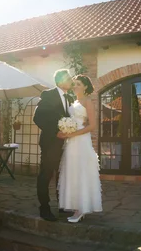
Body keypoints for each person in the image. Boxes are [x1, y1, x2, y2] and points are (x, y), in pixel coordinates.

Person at [57, 74, 103, 223]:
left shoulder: (88, 101)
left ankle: (81, 208)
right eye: (74, 83)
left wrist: (73, 134)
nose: (75, 86)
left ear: (85, 87)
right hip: (71, 142)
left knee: (81, 171)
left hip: (81, 140)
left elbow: (92, 125)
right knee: (72, 171)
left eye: (78, 84)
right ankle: (75, 205)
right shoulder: (74, 101)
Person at [33, 69, 74, 221]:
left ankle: (62, 205)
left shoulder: (70, 97)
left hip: (67, 144)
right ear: (60, 81)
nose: (71, 80)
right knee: (46, 174)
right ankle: (44, 207)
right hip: (50, 143)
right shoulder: (48, 95)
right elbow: (38, 118)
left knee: (62, 175)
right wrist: (55, 132)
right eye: (68, 78)